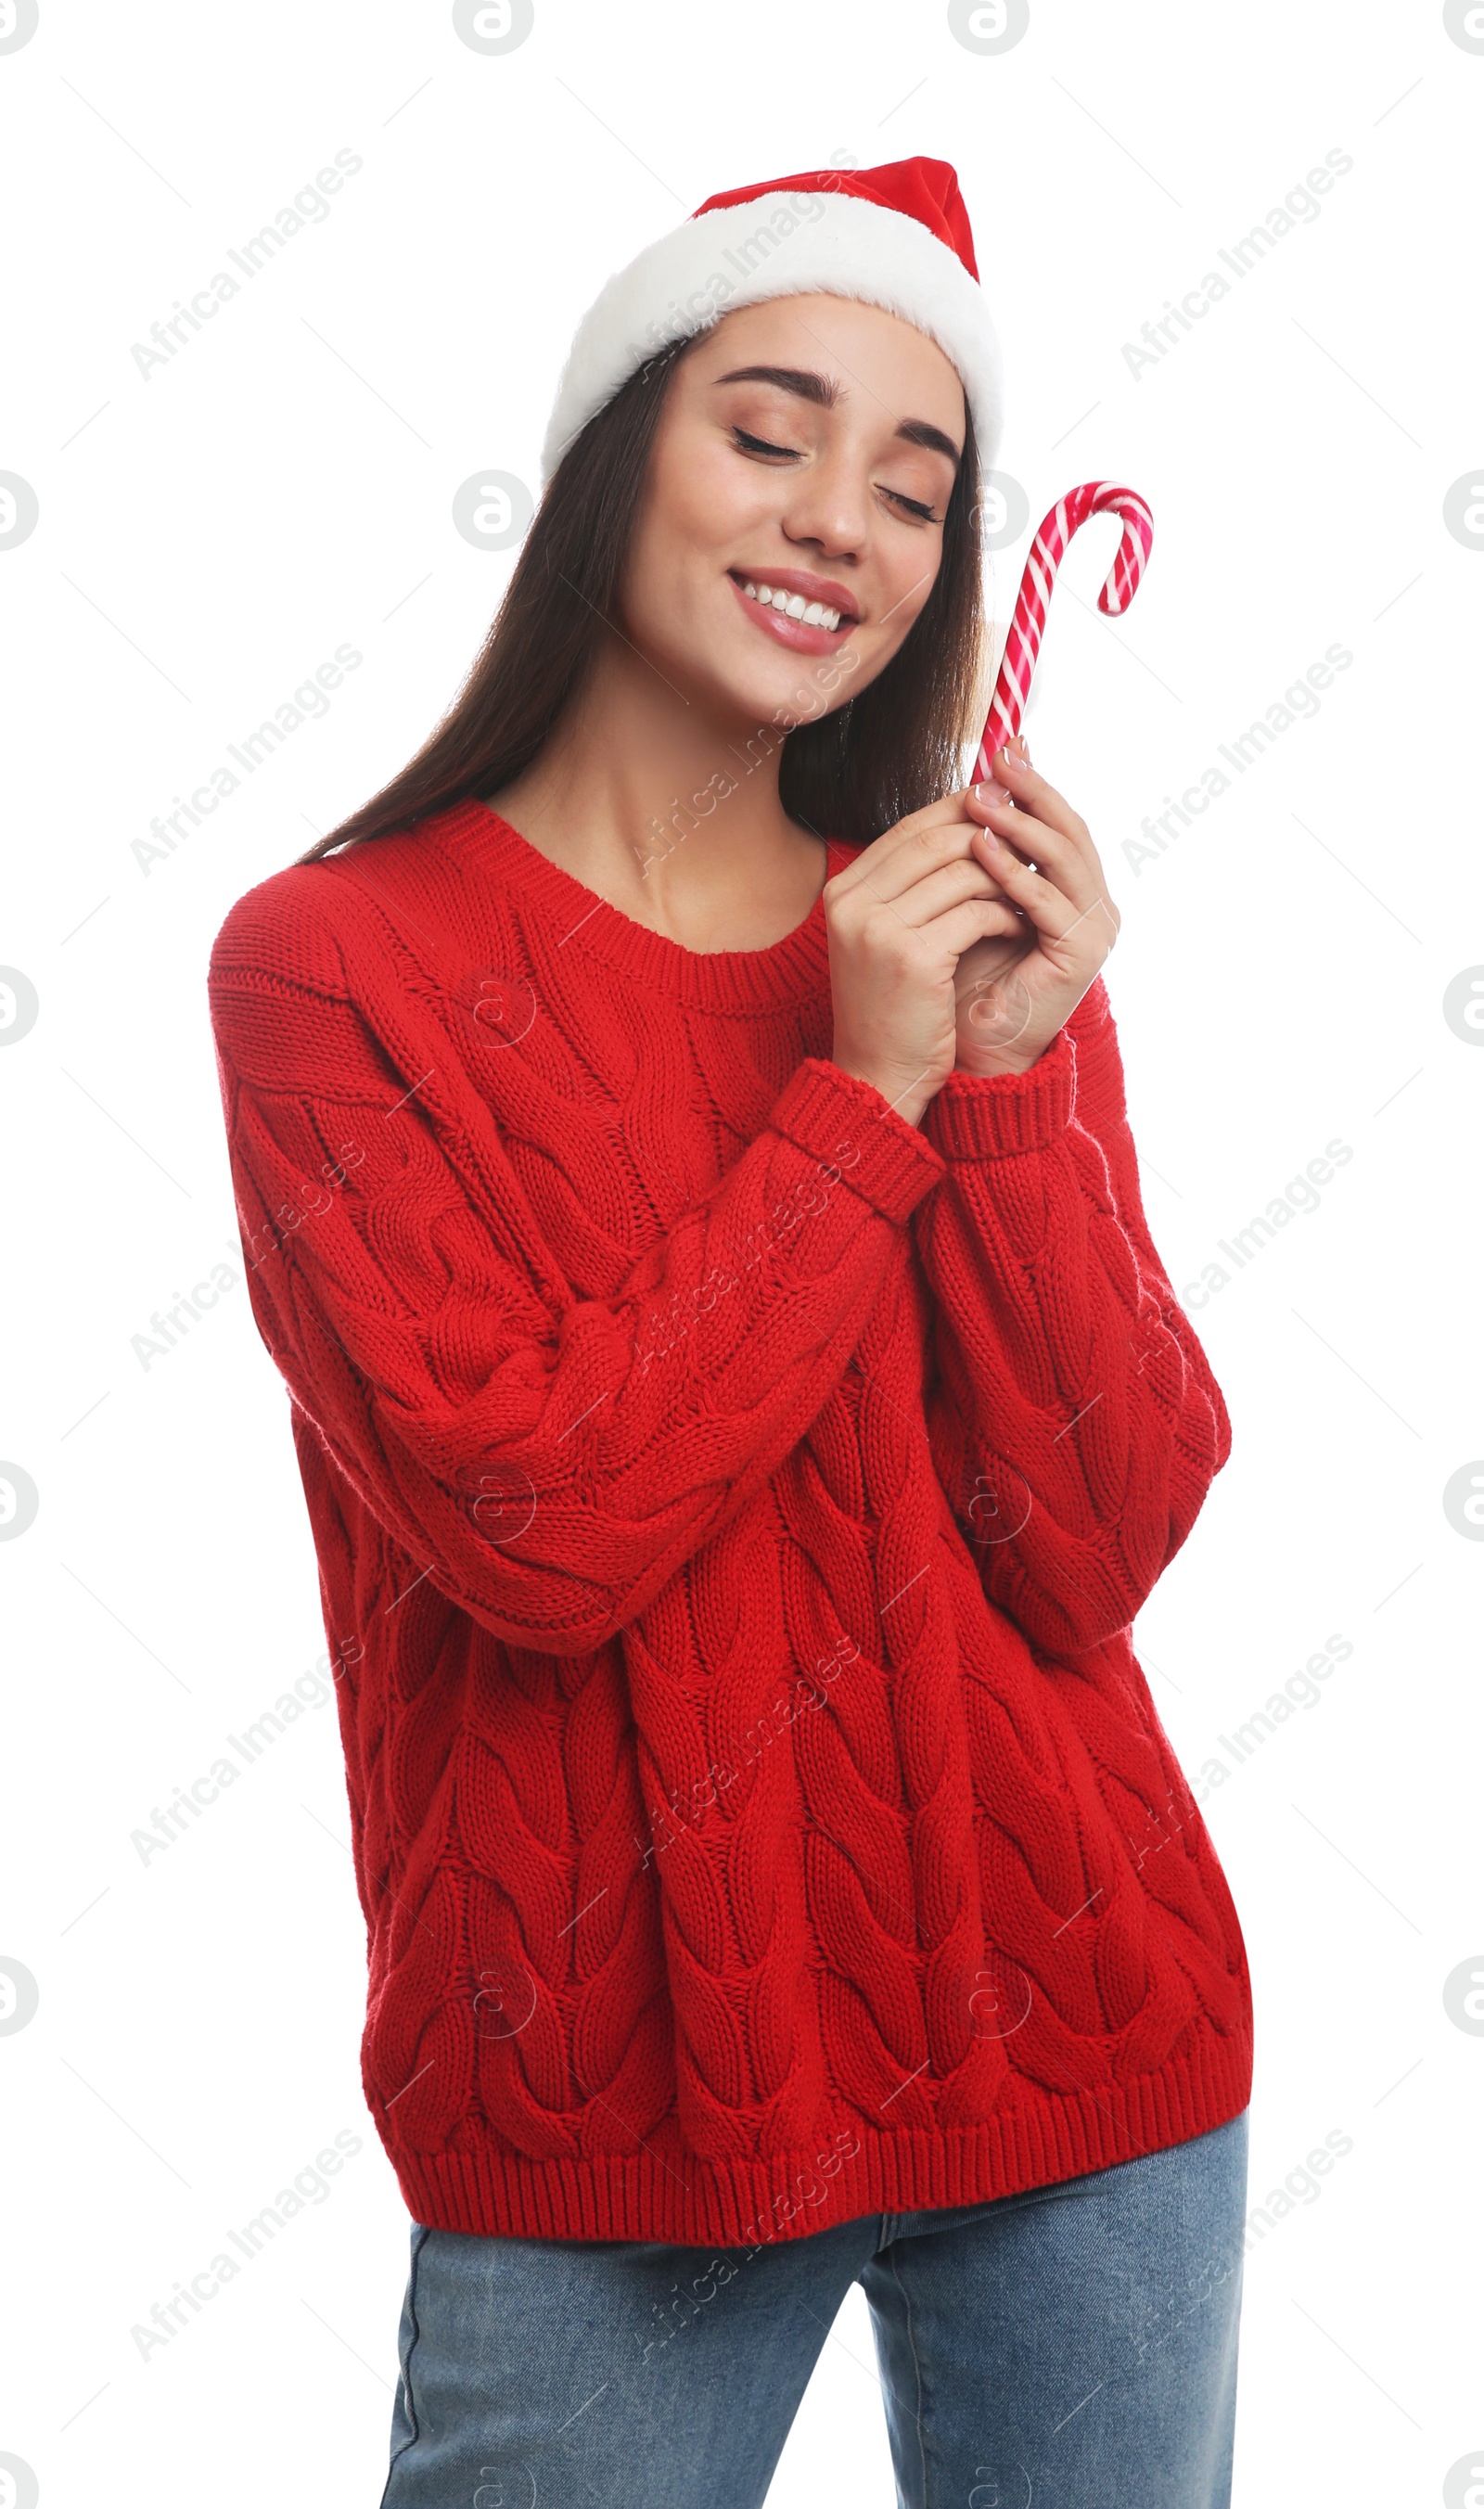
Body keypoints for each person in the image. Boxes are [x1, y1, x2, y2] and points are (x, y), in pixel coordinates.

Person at [207, 155, 1253, 2509]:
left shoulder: (938, 933)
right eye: (768, 432)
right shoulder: (331, 968)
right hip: (610, 2105)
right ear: (614, 465)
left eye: (914, 483)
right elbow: (542, 1533)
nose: (843, 524)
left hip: (1086, 2043)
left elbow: (1096, 1541)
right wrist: (854, 1098)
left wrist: (994, 1084)